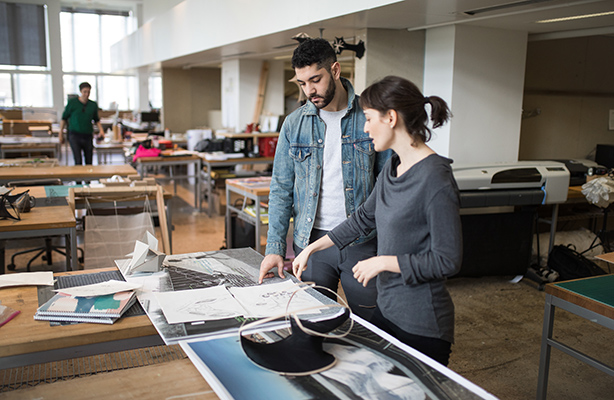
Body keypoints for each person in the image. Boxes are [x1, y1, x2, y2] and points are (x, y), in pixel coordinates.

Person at [292, 76, 463, 366]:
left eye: (369, 118)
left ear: (391, 118)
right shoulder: (393, 167)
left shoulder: (435, 178)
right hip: (388, 310)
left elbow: (447, 260)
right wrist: (312, 248)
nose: (365, 127)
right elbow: (362, 219)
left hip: (422, 324)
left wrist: (384, 262)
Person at [258, 38, 391, 321]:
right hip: (311, 243)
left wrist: (389, 249)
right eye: (302, 83)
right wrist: (274, 248)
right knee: (313, 324)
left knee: (373, 325)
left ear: (335, 70)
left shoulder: (369, 117)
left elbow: (387, 188)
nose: (309, 90)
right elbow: (281, 189)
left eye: (315, 80)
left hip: (363, 242)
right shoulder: (294, 124)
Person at [60, 82, 104, 165]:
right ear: (80, 92)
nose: (87, 94)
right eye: (85, 92)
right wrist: (60, 133)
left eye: (88, 92)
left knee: (89, 160)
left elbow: (96, 120)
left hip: (87, 135)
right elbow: (64, 118)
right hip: (74, 135)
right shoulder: (72, 103)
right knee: (78, 160)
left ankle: (89, 178)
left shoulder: (93, 105)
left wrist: (101, 131)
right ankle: (78, 178)